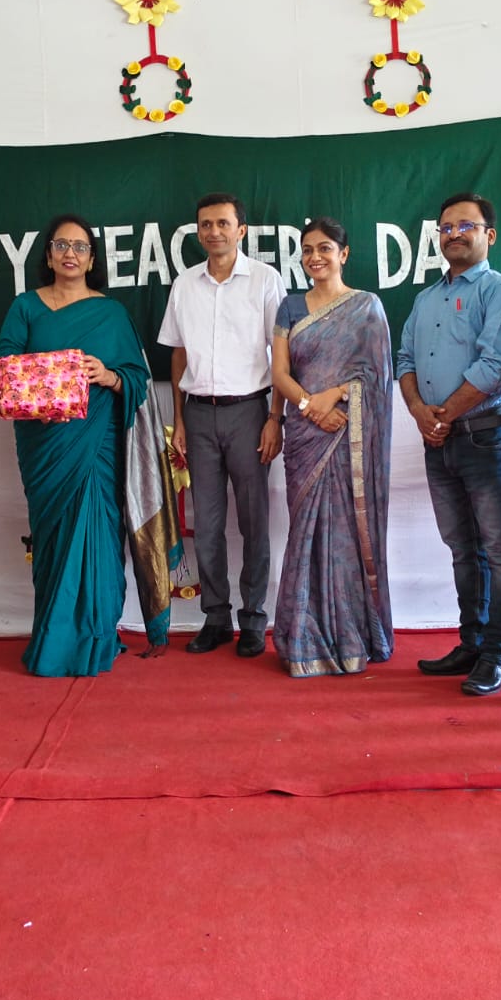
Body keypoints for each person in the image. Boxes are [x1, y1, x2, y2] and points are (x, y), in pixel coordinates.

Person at [0, 213, 181, 677]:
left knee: (98, 535)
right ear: (48, 255)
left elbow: (136, 379)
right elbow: (6, 366)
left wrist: (109, 376)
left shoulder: (111, 313)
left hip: (97, 442)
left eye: (80, 247)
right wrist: (47, 389)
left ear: (93, 259)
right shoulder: (25, 307)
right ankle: (54, 638)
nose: (70, 254)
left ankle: (97, 635)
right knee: (54, 539)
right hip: (44, 443)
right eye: (61, 245)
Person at [399, 193, 501, 697]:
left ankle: (498, 654)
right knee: (462, 549)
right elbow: (405, 360)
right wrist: (419, 411)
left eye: (466, 226)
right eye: (446, 227)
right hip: (440, 442)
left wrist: (444, 415)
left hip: (487, 438)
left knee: (500, 549)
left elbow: (495, 365)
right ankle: (471, 643)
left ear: (489, 235)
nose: (454, 234)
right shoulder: (425, 298)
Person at [157, 192, 285, 658]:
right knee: (207, 525)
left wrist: (275, 418)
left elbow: (283, 354)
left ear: (241, 230)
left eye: (223, 223)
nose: (214, 232)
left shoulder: (265, 280)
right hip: (198, 415)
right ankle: (215, 617)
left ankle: (253, 618)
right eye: (206, 224)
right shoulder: (184, 284)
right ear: (198, 231)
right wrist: (179, 420)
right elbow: (178, 353)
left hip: (250, 412)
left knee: (254, 522)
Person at [268, 217, 394, 676]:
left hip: (347, 434)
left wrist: (335, 395)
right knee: (304, 531)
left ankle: (351, 636)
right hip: (306, 436)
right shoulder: (288, 307)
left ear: (343, 254)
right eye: (307, 250)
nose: (315, 257)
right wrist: (310, 406)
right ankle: (303, 639)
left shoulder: (366, 307)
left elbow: (377, 377)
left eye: (324, 248)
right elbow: (279, 374)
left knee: (344, 536)